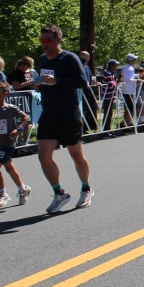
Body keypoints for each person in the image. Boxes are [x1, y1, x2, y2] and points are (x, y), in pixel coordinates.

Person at [35, 24, 93, 212]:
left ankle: (86, 189)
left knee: (76, 155)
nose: (44, 44)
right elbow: (46, 81)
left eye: (48, 40)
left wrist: (58, 81)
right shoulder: (43, 59)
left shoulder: (69, 58)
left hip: (68, 114)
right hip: (48, 114)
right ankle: (59, 193)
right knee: (43, 157)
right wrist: (40, 84)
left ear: (58, 39)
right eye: (41, 40)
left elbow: (83, 82)